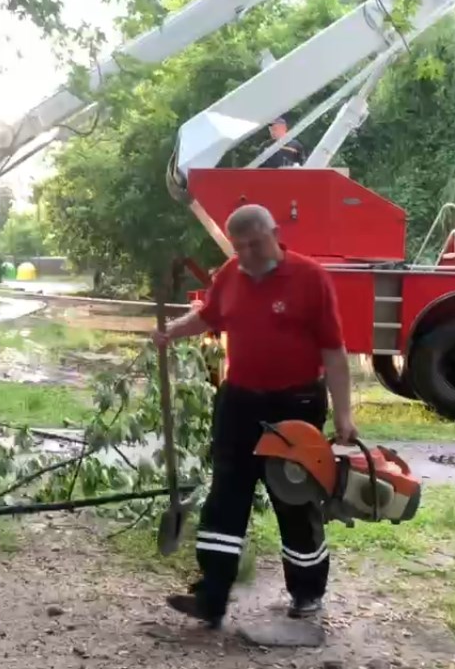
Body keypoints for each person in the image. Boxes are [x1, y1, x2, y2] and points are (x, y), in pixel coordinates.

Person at [151, 203, 358, 630]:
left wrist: (344, 414)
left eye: (255, 243)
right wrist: (171, 331)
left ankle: (306, 595)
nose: (247, 253)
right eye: (239, 246)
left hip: (295, 406)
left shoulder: (310, 278)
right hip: (240, 403)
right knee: (226, 496)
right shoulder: (229, 275)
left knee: (294, 499)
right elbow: (208, 316)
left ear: (275, 234)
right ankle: (212, 596)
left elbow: (334, 353)